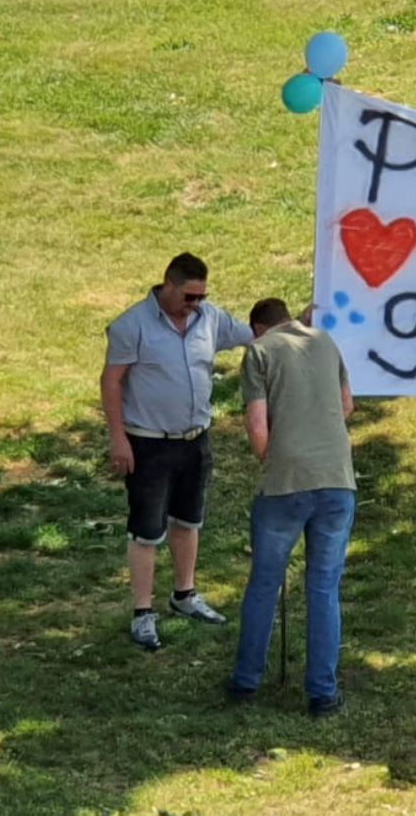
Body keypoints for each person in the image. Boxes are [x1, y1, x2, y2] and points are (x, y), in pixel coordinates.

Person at [101, 253, 252, 651]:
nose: (195, 305)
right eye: (189, 297)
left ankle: (184, 594)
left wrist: (295, 324)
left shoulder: (210, 318)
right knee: (147, 530)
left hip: (195, 439)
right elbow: (111, 382)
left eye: (201, 297)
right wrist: (118, 439)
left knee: (189, 521)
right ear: (168, 285)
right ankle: (142, 612)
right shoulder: (131, 325)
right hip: (148, 442)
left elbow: (254, 334)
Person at [226, 298, 355, 716]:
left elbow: (257, 424)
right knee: (324, 587)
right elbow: (347, 406)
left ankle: (246, 681)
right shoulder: (325, 341)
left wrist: (270, 460)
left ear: (258, 328)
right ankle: (322, 692)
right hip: (337, 479)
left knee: (264, 583)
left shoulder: (259, 352)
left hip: (285, 482)